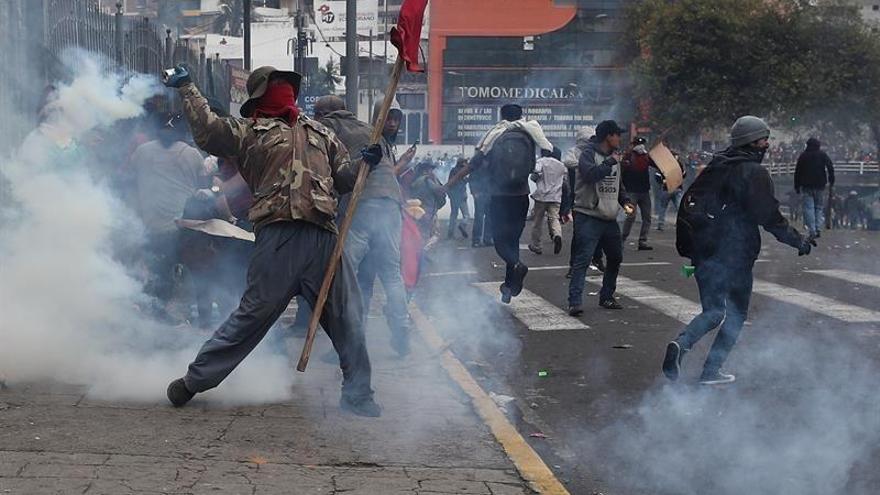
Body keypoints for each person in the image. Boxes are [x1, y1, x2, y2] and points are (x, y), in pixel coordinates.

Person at [162, 65, 381, 417]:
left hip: (323, 238)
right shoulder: (248, 131)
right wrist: (188, 88)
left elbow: (344, 179)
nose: (284, 90)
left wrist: (365, 165)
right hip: (277, 235)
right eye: (276, 85)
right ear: (262, 93)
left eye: (286, 85)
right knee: (252, 316)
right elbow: (208, 131)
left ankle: (358, 394)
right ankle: (194, 380)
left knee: (347, 315)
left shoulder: (321, 133)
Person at [663, 116, 814, 385]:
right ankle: (710, 372)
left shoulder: (717, 165)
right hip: (734, 254)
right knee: (735, 314)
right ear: (751, 142)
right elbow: (769, 217)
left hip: (704, 250)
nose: (767, 144)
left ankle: (681, 343)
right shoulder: (753, 173)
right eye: (763, 139)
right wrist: (798, 240)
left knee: (712, 311)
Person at [313, 95, 414, 357]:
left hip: (364, 204)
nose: (314, 117)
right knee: (387, 274)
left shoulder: (327, 128)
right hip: (390, 205)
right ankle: (400, 327)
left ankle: (347, 342)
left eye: (316, 113)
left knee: (345, 272)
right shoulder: (372, 132)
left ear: (326, 113)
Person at [449, 103, 554, 303]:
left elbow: (473, 165)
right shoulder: (529, 135)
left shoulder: (495, 136)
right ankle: (508, 288)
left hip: (499, 197)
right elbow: (544, 156)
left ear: (501, 116)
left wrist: (449, 184)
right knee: (512, 241)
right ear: (521, 115)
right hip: (521, 196)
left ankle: (516, 265)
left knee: (499, 241)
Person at [130, 112, 209, 318]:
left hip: (152, 227)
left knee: (160, 274)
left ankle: (158, 318)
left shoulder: (141, 152)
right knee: (197, 273)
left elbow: (130, 181)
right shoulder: (192, 155)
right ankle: (203, 319)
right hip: (182, 226)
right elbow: (203, 188)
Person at [562, 120, 633, 316]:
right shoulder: (588, 154)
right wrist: (610, 162)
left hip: (609, 218)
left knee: (615, 257)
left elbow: (619, 185)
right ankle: (574, 301)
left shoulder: (614, 157)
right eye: (617, 134)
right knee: (583, 260)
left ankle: (607, 296)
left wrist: (625, 201)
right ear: (608, 136)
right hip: (589, 216)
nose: (620, 138)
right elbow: (591, 174)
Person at [528, 146, 567, 255]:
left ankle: (536, 245)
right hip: (555, 197)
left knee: (537, 222)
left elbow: (535, 174)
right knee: (554, 218)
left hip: (542, 196)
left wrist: (535, 178)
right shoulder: (561, 165)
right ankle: (557, 235)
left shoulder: (541, 162)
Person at [794, 137, 835, 238]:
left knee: (808, 208)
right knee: (818, 207)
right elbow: (830, 167)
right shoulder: (822, 155)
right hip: (820, 185)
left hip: (806, 185)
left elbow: (798, 171)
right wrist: (831, 180)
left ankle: (812, 230)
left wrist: (797, 185)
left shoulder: (803, 156)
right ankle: (818, 228)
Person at [620, 137, 655, 250]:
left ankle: (642, 241)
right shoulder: (628, 156)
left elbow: (657, 164)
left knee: (647, 217)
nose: (640, 146)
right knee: (630, 216)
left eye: (642, 144)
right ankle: (622, 240)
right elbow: (621, 172)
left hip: (644, 191)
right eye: (638, 144)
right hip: (631, 192)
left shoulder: (647, 157)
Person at [410, 159, 446, 249]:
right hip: (429, 210)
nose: (432, 171)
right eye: (430, 169)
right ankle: (423, 252)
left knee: (422, 232)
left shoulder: (417, 180)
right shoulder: (426, 180)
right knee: (433, 234)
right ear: (426, 170)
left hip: (420, 209)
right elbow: (438, 190)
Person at [654, 150, 687, 231]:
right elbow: (684, 174)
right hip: (674, 189)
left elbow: (657, 175)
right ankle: (678, 224)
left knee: (665, 207)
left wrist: (662, 181)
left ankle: (661, 224)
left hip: (670, 189)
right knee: (678, 207)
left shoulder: (666, 164)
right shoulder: (677, 164)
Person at [469, 165, 493, 247]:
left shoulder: (492, 165)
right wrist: (474, 192)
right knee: (479, 218)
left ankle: (487, 239)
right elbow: (471, 179)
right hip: (480, 195)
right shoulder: (477, 166)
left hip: (489, 194)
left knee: (489, 217)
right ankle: (476, 240)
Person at [446, 158, 470, 239]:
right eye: (465, 162)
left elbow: (450, 182)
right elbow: (462, 182)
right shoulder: (462, 171)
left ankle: (450, 233)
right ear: (462, 163)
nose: (466, 164)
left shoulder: (453, 170)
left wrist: (449, 194)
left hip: (454, 195)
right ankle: (462, 225)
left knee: (453, 215)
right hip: (461, 195)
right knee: (466, 215)